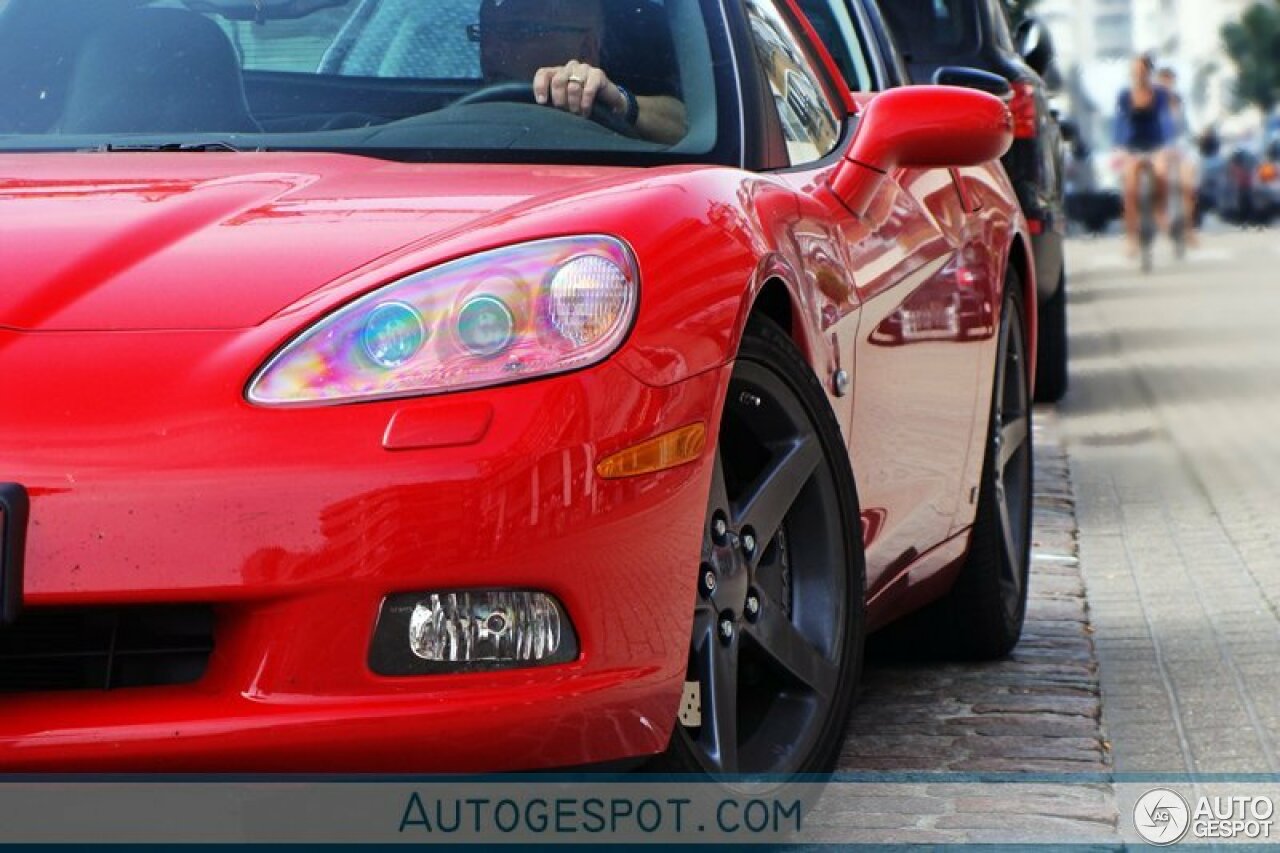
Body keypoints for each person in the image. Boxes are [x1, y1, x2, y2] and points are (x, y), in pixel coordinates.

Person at [477, 0, 687, 145]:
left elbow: (689, 129)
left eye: (518, 31)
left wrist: (620, 105)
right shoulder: (449, 123)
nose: (490, 48)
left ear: (586, 48)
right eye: (484, 33)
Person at [1113, 54, 1177, 257]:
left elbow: (1165, 120)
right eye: (1135, 71)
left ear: (1148, 72)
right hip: (1133, 147)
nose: (1138, 75)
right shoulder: (1125, 95)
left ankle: (1160, 211)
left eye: (1142, 71)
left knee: (1162, 173)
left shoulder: (1159, 94)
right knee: (1130, 189)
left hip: (1155, 144)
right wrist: (1119, 147)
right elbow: (1119, 121)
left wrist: (1168, 145)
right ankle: (1131, 237)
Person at [1156, 67, 1200, 246]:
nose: (1167, 85)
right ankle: (1161, 220)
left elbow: (1187, 130)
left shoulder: (1179, 102)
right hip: (1156, 149)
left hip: (1179, 148)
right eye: (1163, 81)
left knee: (1189, 185)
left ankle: (1188, 229)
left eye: (1170, 81)